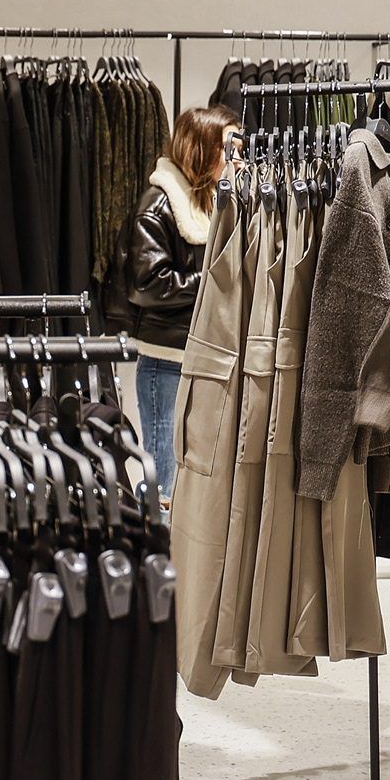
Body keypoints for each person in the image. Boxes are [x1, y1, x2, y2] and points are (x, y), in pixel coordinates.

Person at [123, 104, 241, 504]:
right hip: (166, 362)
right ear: (201, 149)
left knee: (193, 484)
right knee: (165, 481)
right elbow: (148, 283)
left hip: (198, 356)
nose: (236, 157)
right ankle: (156, 545)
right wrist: (213, 280)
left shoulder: (210, 201)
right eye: (228, 147)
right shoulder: (160, 204)